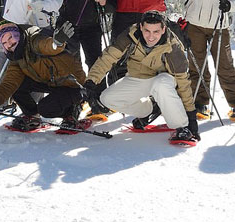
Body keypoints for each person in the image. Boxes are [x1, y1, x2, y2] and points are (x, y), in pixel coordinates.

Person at [84, 11, 201, 144]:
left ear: (163, 29)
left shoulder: (172, 46)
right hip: (139, 77)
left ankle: (181, 127)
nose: (151, 37)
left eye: (156, 31)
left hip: (164, 80)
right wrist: (92, 80)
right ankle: (150, 109)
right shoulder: (130, 35)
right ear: (141, 27)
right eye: (147, 31)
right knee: (107, 98)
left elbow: (183, 82)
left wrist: (191, 117)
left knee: (160, 84)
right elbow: (109, 56)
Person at [0, 22, 89, 132]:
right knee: (16, 86)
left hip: (71, 83)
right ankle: (32, 115)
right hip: (50, 81)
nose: (9, 44)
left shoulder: (34, 39)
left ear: (17, 34)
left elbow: (46, 45)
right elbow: (9, 83)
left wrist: (56, 43)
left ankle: (72, 111)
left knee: (46, 109)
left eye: (10, 37)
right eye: (4, 42)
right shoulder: (16, 56)